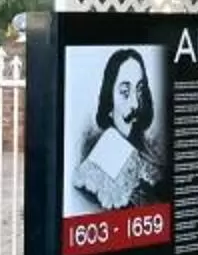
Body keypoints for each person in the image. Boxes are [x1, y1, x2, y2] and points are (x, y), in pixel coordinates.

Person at [69, 48, 164, 212]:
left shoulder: (151, 154)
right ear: (109, 100)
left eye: (140, 90)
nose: (135, 104)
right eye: (125, 92)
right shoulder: (96, 164)